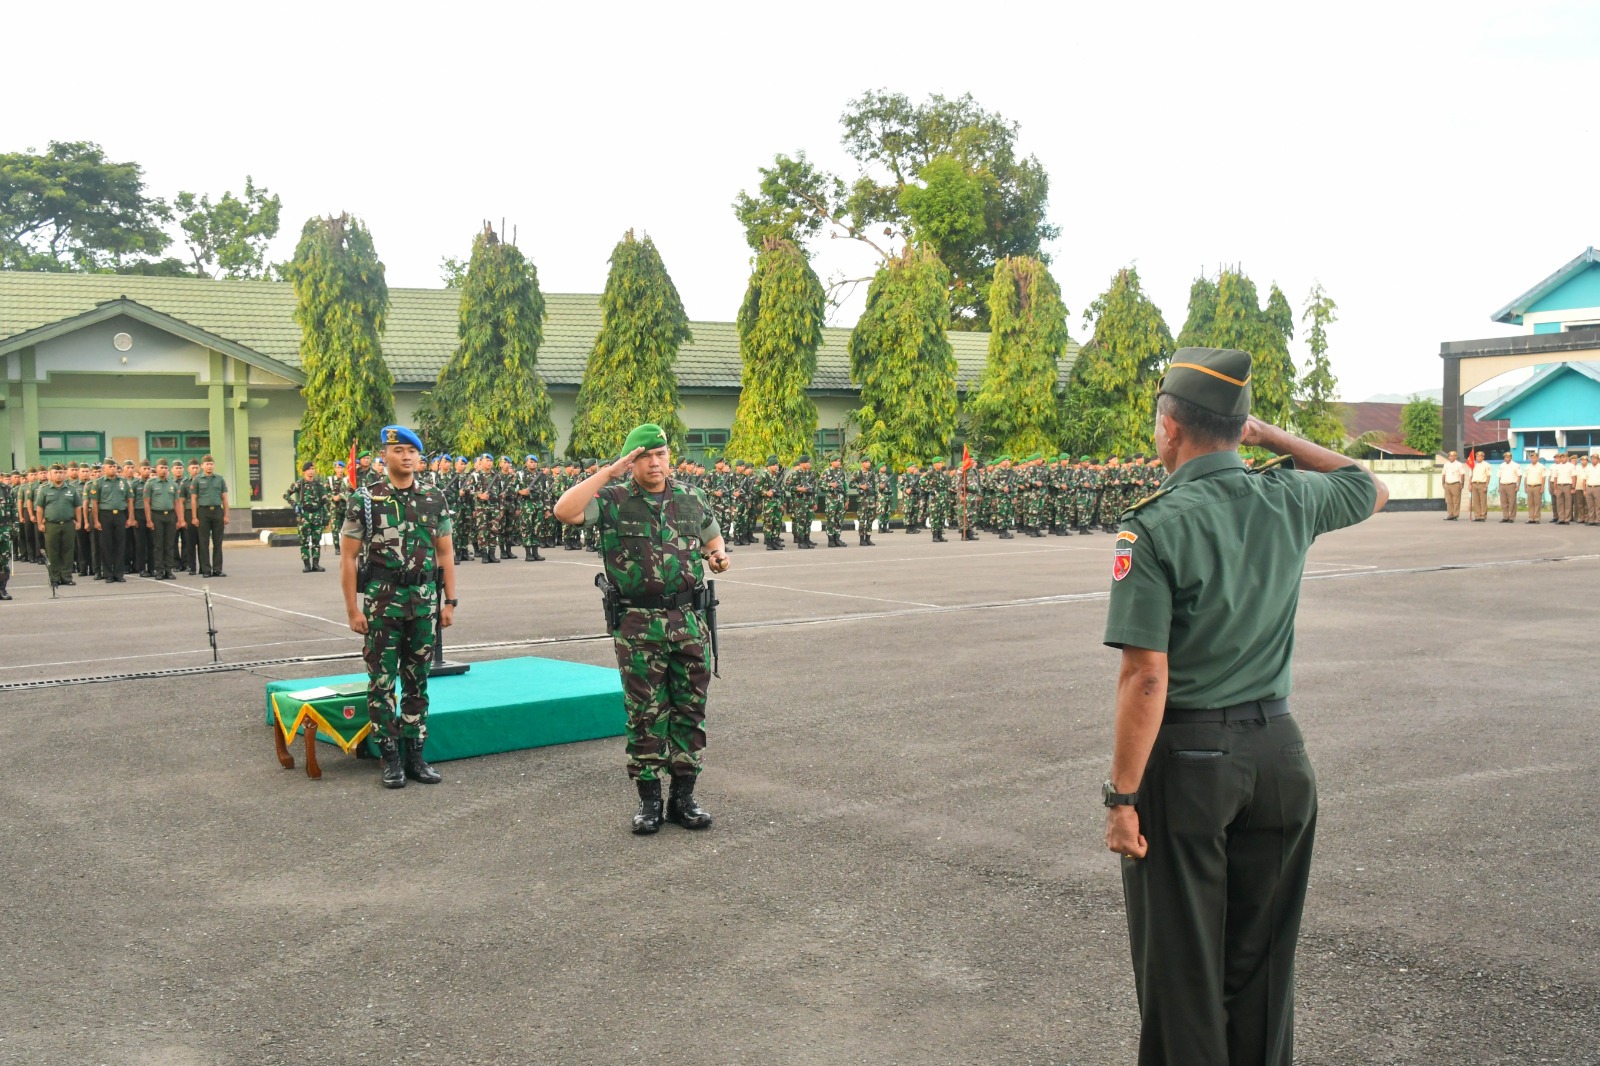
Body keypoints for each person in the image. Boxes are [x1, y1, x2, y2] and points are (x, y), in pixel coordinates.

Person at [1101, 347, 1386, 1066]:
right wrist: (1271, 437)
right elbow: (1367, 484)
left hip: (1193, 765)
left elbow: (1144, 677)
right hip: (1281, 757)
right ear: (1239, 426)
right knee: (1261, 974)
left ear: (1170, 428)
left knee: (1182, 973)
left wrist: (1122, 796)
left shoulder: (1156, 524)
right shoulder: (1287, 497)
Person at [554, 423, 729, 834]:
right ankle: (649, 800)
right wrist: (608, 473)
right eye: (644, 456)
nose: (655, 463)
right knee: (645, 714)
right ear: (631, 461)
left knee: (690, 710)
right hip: (638, 625)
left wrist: (719, 557)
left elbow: (712, 539)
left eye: (661, 454)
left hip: (688, 620)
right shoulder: (612, 499)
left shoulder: (691, 497)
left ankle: (683, 797)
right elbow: (564, 510)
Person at [340, 426, 457, 789]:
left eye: (412, 451)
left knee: (417, 680)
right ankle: (389, 757)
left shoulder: (434, 498)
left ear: (419, 457)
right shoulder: (365, 499)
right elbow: (348, 558)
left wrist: (449, 601)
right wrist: (352, 610)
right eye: (398, 450)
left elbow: (445, 552)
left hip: (422, 603)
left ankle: (416, 755)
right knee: (381, 681)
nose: (406, 457)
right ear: (385, 456)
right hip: (382, 604)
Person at [35, 463, 84, 586]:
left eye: (61, 472)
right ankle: (54, 577)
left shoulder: (71, 489)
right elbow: (40, 508)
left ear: (65, 474)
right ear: (50, 475)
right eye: (56, 473)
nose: (58, 475)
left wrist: (79, 522)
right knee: (53, 551)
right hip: (51, 525)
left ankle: (67, 577)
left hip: (68, 524)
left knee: (68, 551)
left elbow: (78, 507)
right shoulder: (44, 489)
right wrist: (40, 523)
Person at [285, 462, 332, 572]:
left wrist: (326, 517)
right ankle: (306, 564)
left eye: (313, 469)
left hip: (316, 515)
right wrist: (294, 504)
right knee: (304, 541)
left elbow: (325, 501)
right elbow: (286, 495)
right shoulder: (299, 484)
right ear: (304, 471)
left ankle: (316, 564)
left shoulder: (318, 485)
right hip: (304, 515)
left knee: (316, 541)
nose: (311, 471)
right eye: (309, 469)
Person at [1440, 449, 1466, 520]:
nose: (1450, 457)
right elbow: (1443, 474)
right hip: (1447, 484)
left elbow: (1462, 474)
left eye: (1452, 456)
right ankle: (1450, 514)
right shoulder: (1446, 464)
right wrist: (1443, 483)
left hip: (1456, 484)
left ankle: (1455, 515)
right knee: (1449, 501)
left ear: (1455, 457)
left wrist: (1462, 484)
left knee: (1456, 501)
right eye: (1449, 456)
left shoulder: (1459, 464)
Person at [1496, 452, 1521, 523]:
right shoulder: (1502, 465)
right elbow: (1499, 476)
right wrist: (1499, 486)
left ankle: (1512, 517)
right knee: (1503, 502)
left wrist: (1518, 485)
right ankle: (1505, 516)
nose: (1506, 458)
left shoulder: (1515, 465)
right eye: (1505, 457)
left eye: (1508, 457)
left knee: (1512, 502)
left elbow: (1519, 476)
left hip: (1511, 485)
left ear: (1511, 457)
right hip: (1503, 484)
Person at [1523, 453, 1547, 523]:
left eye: (1534, 458)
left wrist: (1542, 487)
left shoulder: (1541, 467)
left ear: (1537, 458)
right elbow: (1525, 478)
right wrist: (1525, 487)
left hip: (1537, 486)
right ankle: (1531, 518)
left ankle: (1536, 518)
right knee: (1530, 503)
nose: (1532, 459)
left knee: (1537, 503)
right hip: (1529, 486)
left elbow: (1543, 477)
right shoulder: (1528, 467)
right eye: (1531, 458)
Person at [1468, 451, 1491, 521]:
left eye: (1479, 456)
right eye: (1477, 456)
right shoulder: (1474, 465)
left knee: (1483, 501)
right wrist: (1470, 485)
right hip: (1474, 483)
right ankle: (1477, 515)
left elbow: (1488, 476)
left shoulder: (1486, 465)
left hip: (1482, 483)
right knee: (1476, 501)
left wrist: (1486, 486)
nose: (1478, 458)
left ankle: (1483, 515)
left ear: (1483, 457)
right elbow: (1471, 476)